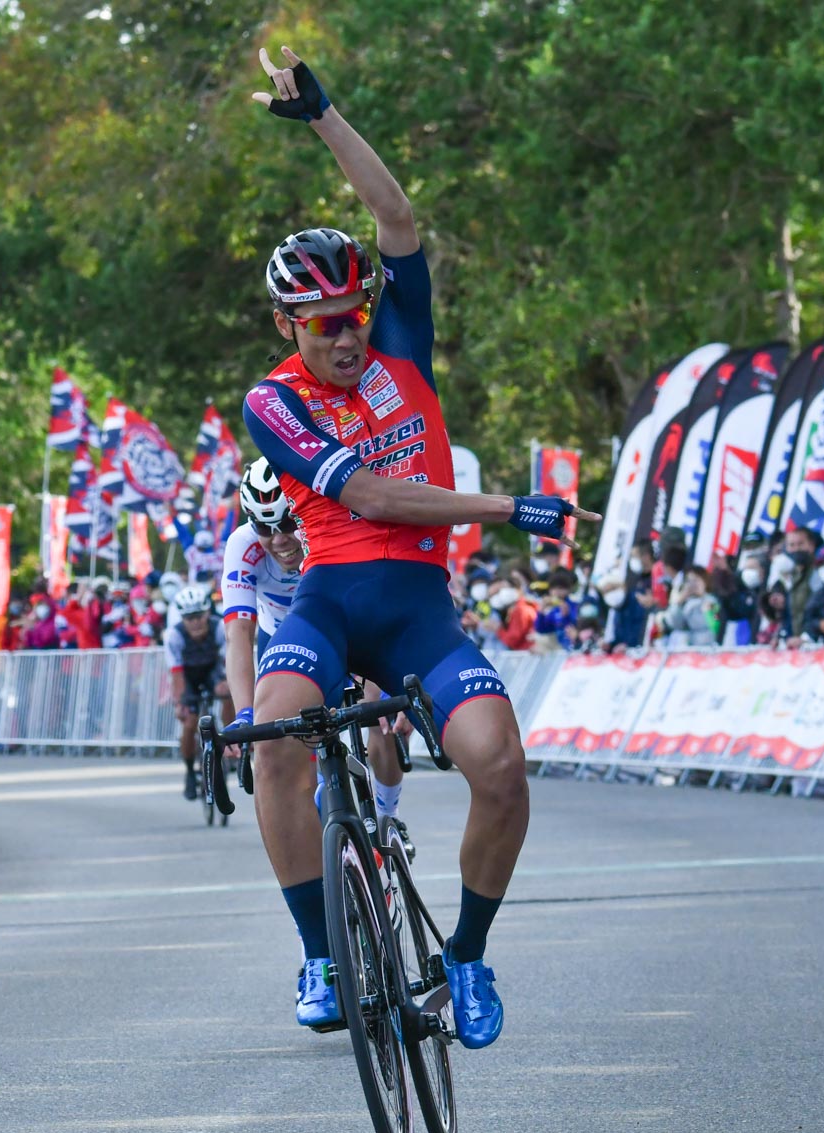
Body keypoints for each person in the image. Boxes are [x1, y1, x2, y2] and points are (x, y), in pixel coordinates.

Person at [238, 48, 591, 1047]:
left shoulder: (400, 347)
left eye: (355, 319)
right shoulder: (275, 400)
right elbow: (374, 494)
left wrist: (325, 118)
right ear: (287, 326)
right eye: (323, 328)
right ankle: (317, 951)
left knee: (501, 767)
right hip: (331, 602)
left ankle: (467, 958)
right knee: (272, 744)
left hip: (419, 612)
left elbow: (396, 220)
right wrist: (501, 507)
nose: (346, 340)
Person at [222, 458, 409, 835]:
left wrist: (392, 679)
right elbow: (238, 635)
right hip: (283, 642)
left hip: (354, 631)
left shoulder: (338, 526)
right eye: (264, 526)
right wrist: (244, 713)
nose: (279, 540)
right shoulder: (242, 546)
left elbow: (387, 602)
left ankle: (387, 818)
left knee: (381, 723)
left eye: (288, 523)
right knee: (279, 748)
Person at [165, 584, 229, 799]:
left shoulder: (219, 627)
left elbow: (229, 662)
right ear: (182, 618)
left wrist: (229, 685)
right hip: (188, 677)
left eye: (199, 616)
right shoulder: (174, 635)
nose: (195, 622)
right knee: (190, 722)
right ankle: (189, 771)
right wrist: (180, 704)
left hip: (212, 670)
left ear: (207, 613)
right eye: (189, 618)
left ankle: (230, 735)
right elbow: (176, 674)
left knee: (227, 691)